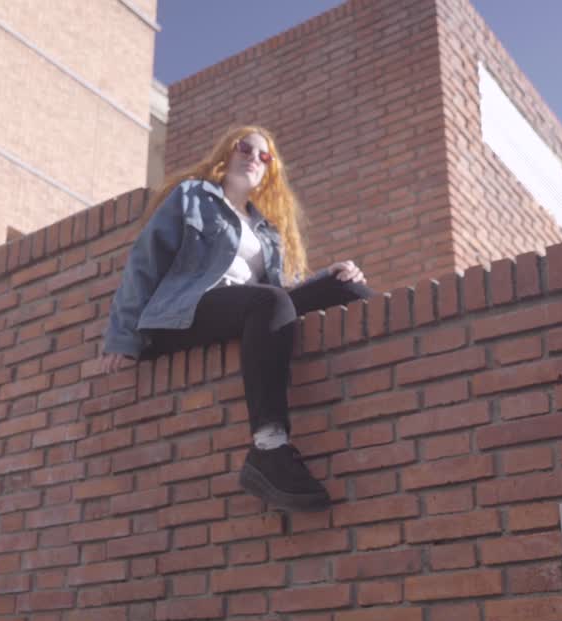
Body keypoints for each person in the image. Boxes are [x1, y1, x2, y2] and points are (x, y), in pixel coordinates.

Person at [101, 125, 373, 511]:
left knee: (347, 287)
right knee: (268, 301)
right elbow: (144, 263)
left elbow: (283, 293)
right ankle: (269, 447)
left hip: (246, 308)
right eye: (245, 148)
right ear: (226, 154)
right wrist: (122, 338)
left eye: (264, 156)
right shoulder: (192, 196)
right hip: (183, 313)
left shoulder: (267, 230)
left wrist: (327, 276)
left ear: (269, 170)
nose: (253, 158)